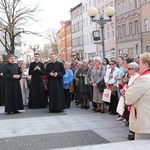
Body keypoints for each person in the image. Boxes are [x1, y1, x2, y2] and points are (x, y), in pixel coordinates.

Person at [125, 52, 150, 140]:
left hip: (145, 121)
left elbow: (129, 98)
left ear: (146, 65)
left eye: (140, 63)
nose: (139, 66)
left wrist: (127, 90)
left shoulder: (143, 79)